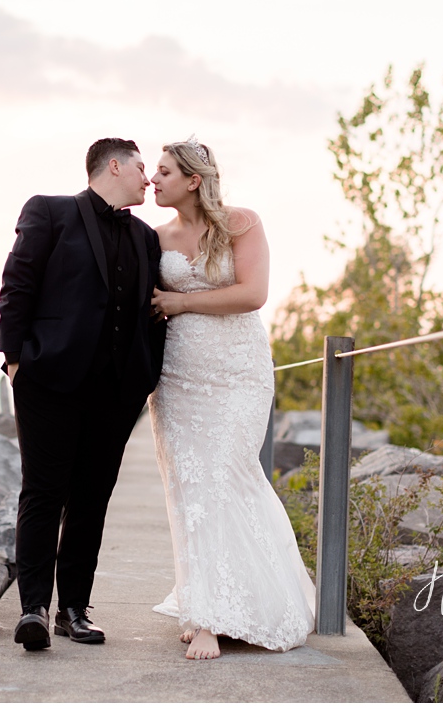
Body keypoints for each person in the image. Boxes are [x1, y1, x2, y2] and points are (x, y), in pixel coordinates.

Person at [0, 138, 168, 651]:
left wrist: (146, 374)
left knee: (92, 500)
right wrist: (14, 359)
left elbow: (150, 312)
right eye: (141, 168)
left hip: (117, 391)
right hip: (48, 379)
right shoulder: (49, 212)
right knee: (43, 492)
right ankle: (33, 609)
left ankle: (74, 609)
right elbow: (17, 285)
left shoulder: (145, 237)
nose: (148, 179)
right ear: (113, 165)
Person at [146, 137, 315, 660]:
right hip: (178, 377)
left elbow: (252, 294)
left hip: (238, 371)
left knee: (229, 475)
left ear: (194, 180)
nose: (154, 180)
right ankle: (204, 608)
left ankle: (224, 613)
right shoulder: (153, 238)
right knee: (190, 489)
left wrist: (180, 299)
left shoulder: (241, 223)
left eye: (165, 172)